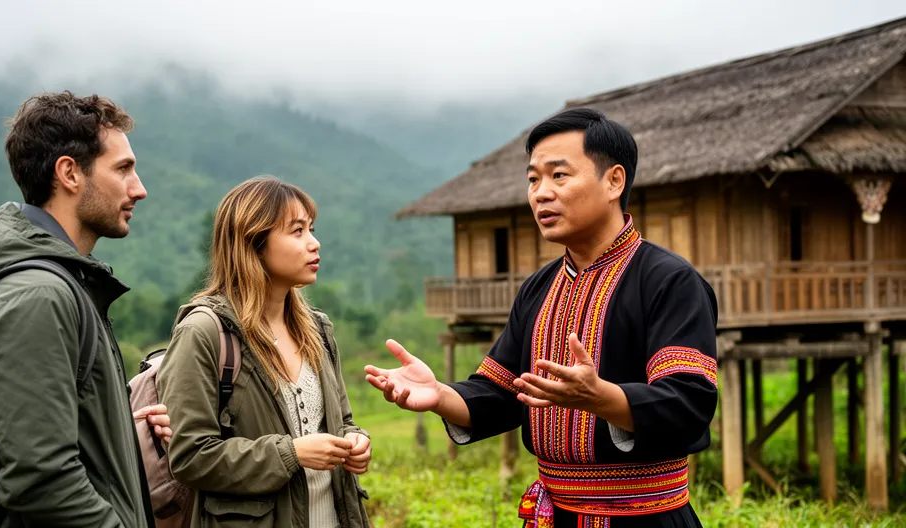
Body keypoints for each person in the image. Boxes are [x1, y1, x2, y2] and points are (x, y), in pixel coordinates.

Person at [365, 108, 718, 527]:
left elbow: (688, 403)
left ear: (614, 181)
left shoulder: (669, 281)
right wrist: (439, 395)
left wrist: (600, 397)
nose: (540, 193)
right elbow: (500, 392)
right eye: (533, 179)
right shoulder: (538, 288)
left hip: (646, 517)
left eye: (559, 176)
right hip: (556, 515)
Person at [0, 91, 170, 527]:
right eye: (123, 169)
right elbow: (40, 480)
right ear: (69, 173)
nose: (140, 189)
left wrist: (112, 429)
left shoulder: (67, 285)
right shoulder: (39, 295)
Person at [157, 176, 372, 527]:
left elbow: (343, 421)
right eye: (297, 231)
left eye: (311, 229)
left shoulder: (318, 330)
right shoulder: (204, 333)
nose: (314, 244)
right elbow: (190, 457)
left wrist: (356, 440)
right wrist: (291, 453)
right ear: (254, 243)